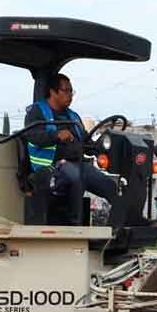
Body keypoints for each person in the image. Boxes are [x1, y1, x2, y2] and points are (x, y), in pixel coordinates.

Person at [24, 73, 119, 225]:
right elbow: (32, 136)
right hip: (47, 169)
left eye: (71, 91)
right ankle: (75, 225)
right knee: (76, 175)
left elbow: (85, 142)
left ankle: (120, 223)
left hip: (77, 164)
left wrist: (99, 147)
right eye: (66, 91)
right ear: (53, 92)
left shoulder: (73, 116)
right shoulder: (37, 112)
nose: (70, 95)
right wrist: (56, 135)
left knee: (109, 185)